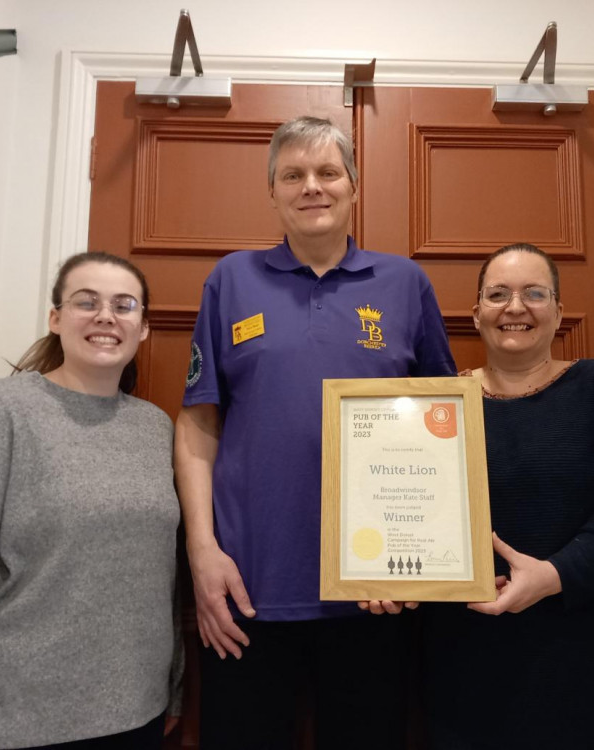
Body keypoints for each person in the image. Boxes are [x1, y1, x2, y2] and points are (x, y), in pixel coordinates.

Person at [176, 115, 456, 749]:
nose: (312, 187)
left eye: (329, 172)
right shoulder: (231, 280)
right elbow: (197, 419)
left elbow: (445, 424)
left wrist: (426, 561)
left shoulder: (406, 284)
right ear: (272, 192)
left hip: (376, 592)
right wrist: (201, 551)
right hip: (248, 589)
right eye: (293, 175)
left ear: (353, 186)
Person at [0, 252, 183, 750]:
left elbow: (159, 574)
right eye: (87, 302)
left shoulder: (155, 427)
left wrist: (174, 685)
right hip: (24, 723)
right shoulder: (2, 411)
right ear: (56, 318)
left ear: (143, 328)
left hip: (141, 715)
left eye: (124, 305)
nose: (105, 316)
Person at [421, 243, 594, 749]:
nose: (515, 307)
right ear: (477, 313)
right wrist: (382, 574)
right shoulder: (436, 402)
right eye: (498, 294)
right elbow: (408, 512)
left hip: (583, 655)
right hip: (462, 660)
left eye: (535, 293)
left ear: (557, 311)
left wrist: (554, 575)